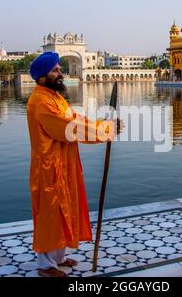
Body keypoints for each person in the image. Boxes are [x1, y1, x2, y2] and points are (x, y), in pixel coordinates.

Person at [27, 52, 122, 277]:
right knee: (50, 215)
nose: (60, 73)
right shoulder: (41, 102)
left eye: (60, 69)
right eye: (55, 70)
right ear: (42, 77)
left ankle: (58, 258)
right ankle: (45, 265)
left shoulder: (55, 97)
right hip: (49, 168)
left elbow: (77, 120)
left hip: (64, 164)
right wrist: (106, 129)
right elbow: (68, 127)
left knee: (64, 211)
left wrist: (105, 126)